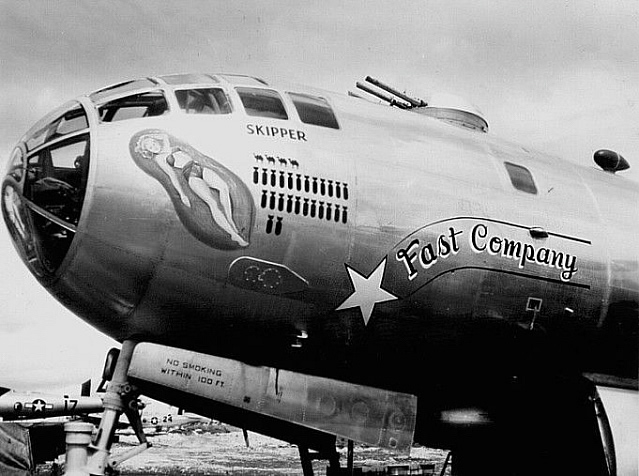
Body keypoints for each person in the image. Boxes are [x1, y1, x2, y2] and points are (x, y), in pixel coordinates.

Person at [183, 160, 248, 247]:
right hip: (191, 175)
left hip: (199, 166)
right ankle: (233, 234)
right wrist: (182, 194)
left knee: (224, 188)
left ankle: (230, 220)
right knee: (212, 202)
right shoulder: (161, 156)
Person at [135, 133, 191, 207]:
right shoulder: (159, 159)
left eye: (154, 143)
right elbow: (172, 175)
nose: (154, 147)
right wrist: (182, 194)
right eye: (151, 147)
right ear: (149, 151)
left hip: (198, 165)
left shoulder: (166, 146)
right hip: (191, 173)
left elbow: (164, 136)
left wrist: (149, 136)